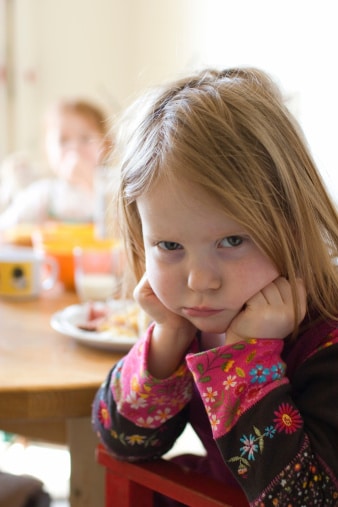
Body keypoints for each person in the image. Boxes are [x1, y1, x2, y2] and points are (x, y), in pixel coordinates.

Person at [92, 68, 338, 506]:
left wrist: (244, 358)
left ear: (292, 228)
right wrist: (167, 341)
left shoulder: (328, 342)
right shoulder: (189, 321)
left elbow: (306, 499)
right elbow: (123, 441)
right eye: (169, 245)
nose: (199, 281)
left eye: (232, 241)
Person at [0, 99, 112, 229]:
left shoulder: (114, 192)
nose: (74, 148)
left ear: (106, 145)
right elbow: (5, 228)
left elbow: (123, 229)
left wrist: (92, 184)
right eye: (63, 140)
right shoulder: (44, 194)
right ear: (47, 150)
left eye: (85, 138)